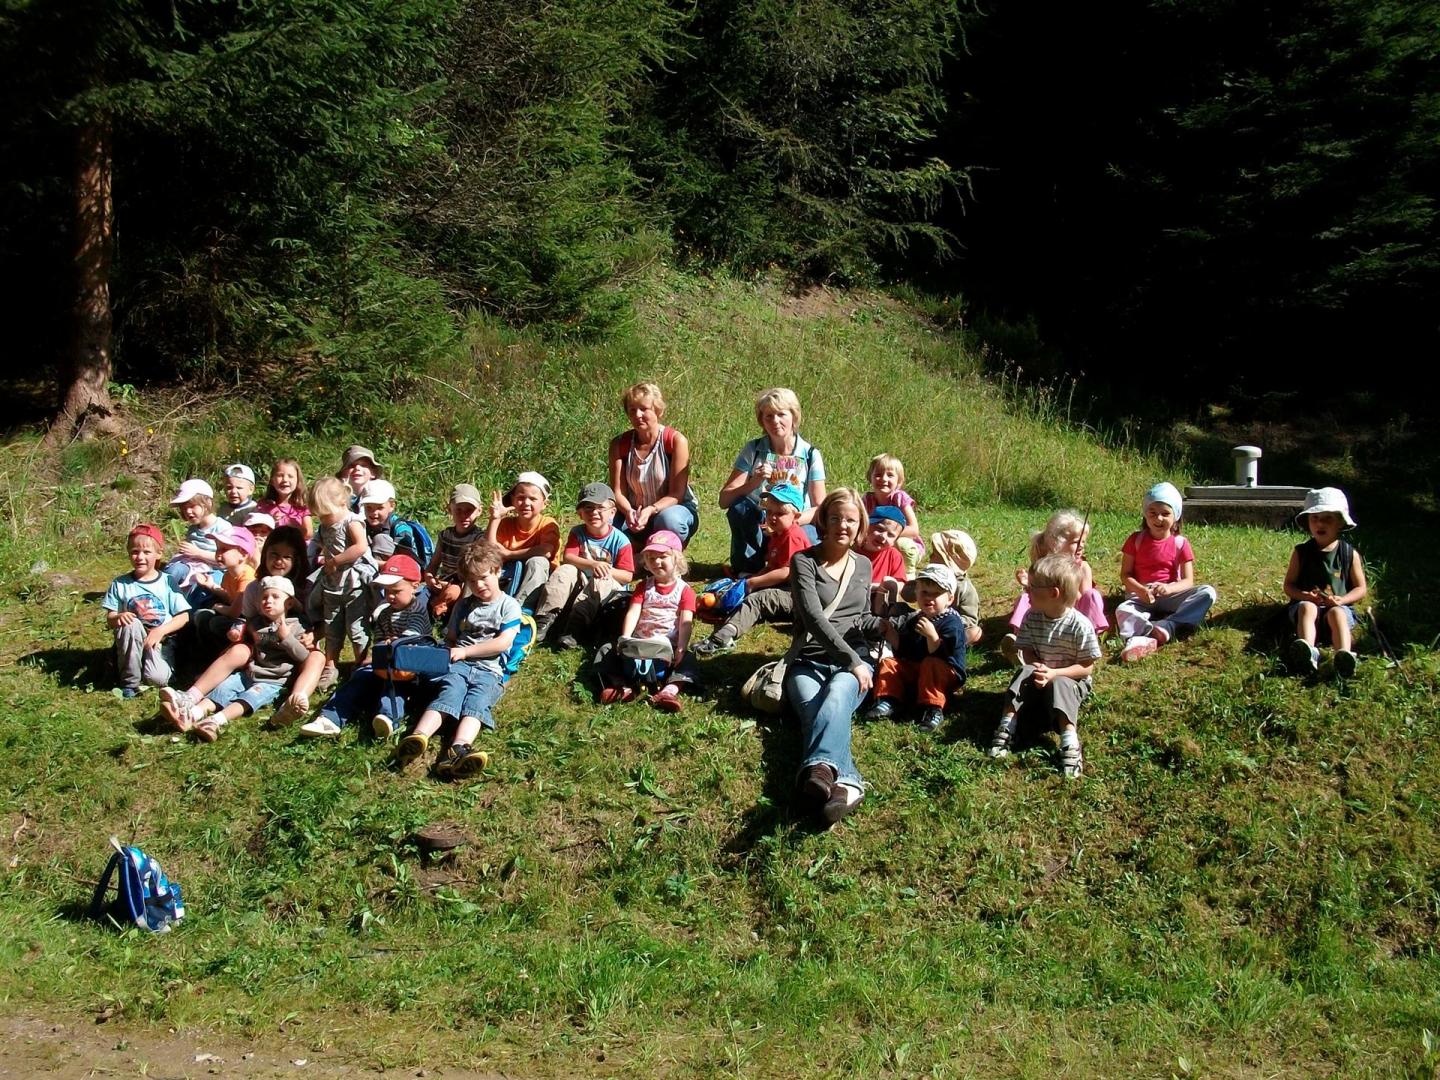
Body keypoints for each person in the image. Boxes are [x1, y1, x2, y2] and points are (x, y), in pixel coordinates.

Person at [784, 488, 883, 825]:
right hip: (809, 659)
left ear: (860, 526)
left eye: (851, 520)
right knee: (818, 712)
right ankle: (848, 784)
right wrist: (852, 662)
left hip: (852, 658)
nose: (843, 525)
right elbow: (813, 617)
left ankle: (818, 770)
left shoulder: (864, 565)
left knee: (836, 698)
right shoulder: (803, 561)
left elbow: (861, 617)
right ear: (824, 521)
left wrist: (891, 624)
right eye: (836, 518)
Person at [161, 526, 312, 724]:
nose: (279, 561)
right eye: (274, 554)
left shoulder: (305, 588)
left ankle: (296, 700)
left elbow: (315, 623)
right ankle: (190, 697)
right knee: (238, 650)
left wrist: (310, 635)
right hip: (261, 645)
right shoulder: (255, 588)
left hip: (295, 649)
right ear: (264, 554)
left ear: (298, 560)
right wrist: (261, 634)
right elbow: (250, 624)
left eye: (287, 557)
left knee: (315, 656)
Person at [396, 542, 521, 780]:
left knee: (477, 703)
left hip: (489, 670)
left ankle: (459, 747)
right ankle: (418, 736)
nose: (479, 585)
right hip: (458, 665)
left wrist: (466, 652)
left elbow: (503, 643)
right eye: (472, 581)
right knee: (449, 693)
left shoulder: (509, 606)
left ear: (498, 571)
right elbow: (452, 638)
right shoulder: (464, 605)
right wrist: (447, 652)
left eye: (484, 578)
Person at [988, 554, 1102, 778]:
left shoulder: (1081, 625)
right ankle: (1007, 726)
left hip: (1068, 679)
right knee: (1024, 671)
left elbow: (1086, 667)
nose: (1026, 592)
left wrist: (1054, 673)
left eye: (1032, 588)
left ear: (1053, 594)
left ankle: (1069, 741)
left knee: (1061, 683)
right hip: (1041, 674)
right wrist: (1036, 666)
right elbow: (1027, 650)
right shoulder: (1032, 616)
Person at [300, 553, 436, 738]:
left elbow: (412, 639)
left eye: (396, 591)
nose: (390, 596)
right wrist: (378, 653)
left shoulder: (417, 610)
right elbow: (379, 639)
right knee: (359, 679)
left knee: (394, 690)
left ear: (414, 586)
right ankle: (330, 717)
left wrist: (392, 644)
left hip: (408, 668)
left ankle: (388, 719)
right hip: (385, 663)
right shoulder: (385, 613)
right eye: (387, 591)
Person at [175, 577, 310, 742]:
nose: (268, 601)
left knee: (247, 700)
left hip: (273, 681)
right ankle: (193, 714)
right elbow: (251, 637)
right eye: (264, 597)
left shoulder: (296, 626)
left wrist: (287, 637)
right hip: (249, 672)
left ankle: (215, 721)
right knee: (223, 689)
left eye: (275, 597)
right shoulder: (256, 623)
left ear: (289, 604)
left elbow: (303, 655)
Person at [692, 483, 811, 656]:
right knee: (743, 590)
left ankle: (722, 638)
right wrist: (751, 581)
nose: (773, 517)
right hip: (785, 587)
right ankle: (723, 609)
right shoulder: (779, 534)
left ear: (796, 516)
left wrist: (753, 582)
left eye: (780, 513)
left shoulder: (793, 536)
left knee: (758, 599)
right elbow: (772, 567)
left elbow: (787, 571)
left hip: (798, 595)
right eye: (769, 512)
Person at [718, 387, 826, 574]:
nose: (775, 421)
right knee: (739, 508)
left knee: (805, 549)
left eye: (781, 414)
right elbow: (724, 500)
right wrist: (754, 482)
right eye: (768, 416)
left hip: (796, 521)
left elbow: (821, 508)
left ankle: (794, 575)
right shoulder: (753, 450)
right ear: (762, 421)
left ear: (794, 416)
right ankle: (749, 569)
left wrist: (788, 522)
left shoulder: (810, 454)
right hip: (761, 521)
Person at [595, 530, 699, 712]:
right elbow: (633, 612)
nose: (656, 562)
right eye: (651, 558)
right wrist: (625, 638)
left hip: (666, 650)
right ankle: (622, 688)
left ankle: (669, 691)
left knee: (689, 659)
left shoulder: (685, 591)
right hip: (638, 645)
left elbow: (685, 621)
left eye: (663, 557)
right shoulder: (644, 586)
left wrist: (681, 647)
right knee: (606, 650)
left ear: (677, 559)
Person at [1116, 482, 1217, 662]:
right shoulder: (1135, 540)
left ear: (1176, 517)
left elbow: (1188, 581)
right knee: (1123, 609)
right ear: (1145, 514)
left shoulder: (1181, 543)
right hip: (1141, 596)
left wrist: (1169, 589)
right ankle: (1146, 636)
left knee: (1207, 593)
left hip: (1170, 594)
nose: (1159, 519)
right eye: (1153, 513)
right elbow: (1126, 575)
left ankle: (1167, 626)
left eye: (1165, 513)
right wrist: (1140, 590)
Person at [531, 482, 635, 649]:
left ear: (612, 512)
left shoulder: (621, 540)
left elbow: (627, 576)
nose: (594, 512)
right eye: (588, 508)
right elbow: (568, 557)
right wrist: (593, 564)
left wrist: (605, 570)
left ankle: (574, 629)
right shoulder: (577, 533)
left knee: (601, 579)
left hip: (607, 594)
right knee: (565, 570)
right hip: (579, 586)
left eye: (600, 508)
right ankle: (544, 618)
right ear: (580, 513)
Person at [867, 563, 968, 732]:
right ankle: (889, 699)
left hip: (945, 673)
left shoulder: (952, 622)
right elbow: (907, 649)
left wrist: (932, 637)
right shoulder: (916, 618)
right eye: (924, 593)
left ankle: (932, 708)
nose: (929, 598)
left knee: (931, 663)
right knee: (890, 663)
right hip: (919, 670)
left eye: (936, 594)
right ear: (916, 594)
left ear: (950, 599)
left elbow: (946, 654)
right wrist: (892, 635)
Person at [1000, 510, 1108, 662]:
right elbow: (1039, 597)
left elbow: (1083, 600)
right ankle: (1020, 641)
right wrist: (1029, 585)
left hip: (1074, 619)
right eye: (1076, 542)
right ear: (1057, 543)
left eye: (1084, 542)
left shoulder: (1082, 568)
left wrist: (1068, 586)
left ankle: (1088, 642)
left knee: (1093, 595)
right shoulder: (1045, 566)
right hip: (1046, 615)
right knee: (1024, 598)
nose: (1081, 546)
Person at [1283, 487, 1368, 677]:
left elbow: (1361, 588)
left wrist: (1342, 600)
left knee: (1337, 613)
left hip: (1337, 608)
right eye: (1315, 518)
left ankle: (1343, 655)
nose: (1320, 523)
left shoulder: (1348, 553)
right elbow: (1288, 585)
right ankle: (1308, 651)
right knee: (1306, 607)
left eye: (1328, 518)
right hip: (1308, 607)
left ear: (1340, 522)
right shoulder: (1301, 553)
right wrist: (1304, 595)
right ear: (1308, 522)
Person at [102, 524, 191, 698]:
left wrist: (160, 631)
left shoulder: (167, 581)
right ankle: (129, 683)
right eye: (135, 552)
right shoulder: (120, 584)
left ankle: (137, 663)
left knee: (157, 679)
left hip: (159, 640)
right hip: (133, 636)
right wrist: (118, 617)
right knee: (131, 624)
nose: (140, 557)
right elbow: (110, 618)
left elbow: (184, 616)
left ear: (159, 553)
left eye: (146, 552)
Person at [607, 382, 699, 548]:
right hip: (633, 513)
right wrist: (629, 511)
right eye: (632, 410)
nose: (638, 415)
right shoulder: (619, 444)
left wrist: (651, 510)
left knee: (669, 520)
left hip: (670, 509)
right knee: (603, 519)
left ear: (658, 410)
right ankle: (637, 554)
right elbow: (617, 492)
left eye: (644, 409)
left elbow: (677, 494)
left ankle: (666, 552)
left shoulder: (675, 441)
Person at [306, 476, 374, 687]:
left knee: (356, 628)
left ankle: (361, 663)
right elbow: (316, 542)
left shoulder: (351, 522)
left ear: (342, 503)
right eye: (319, 516)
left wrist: (335, 560)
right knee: (332, 627)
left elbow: (360, 547)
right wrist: (310, 557)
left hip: (353, 584)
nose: (323, 520)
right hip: (332, 584)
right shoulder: (325, 524)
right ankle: (330, 664)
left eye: (326, 514)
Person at [487, 471, 560, 607]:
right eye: (520, 497)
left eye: (533, 499)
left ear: (545, 503)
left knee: (538, 561)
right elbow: (489, 550)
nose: (526, 503)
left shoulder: (547, 523)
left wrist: (509, 554)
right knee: (483, 562)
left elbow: (546, 551)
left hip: (539, 583)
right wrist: (495, 519)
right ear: (513, 500)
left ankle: (521, 610)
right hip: (508, 577)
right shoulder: (506, 523)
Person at [163, 478, 232, 602]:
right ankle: (161, 598)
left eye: (192, 506)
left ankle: (190, 614)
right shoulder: (193, 529)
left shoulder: (222, 527)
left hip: (215, 570)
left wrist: (198, 553)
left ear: (208, 503)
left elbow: (228, 559)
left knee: (200, 587)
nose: (188, 512)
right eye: (184, 508)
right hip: (193, 565)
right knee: (174, 570)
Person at [424, 483, 485, 619]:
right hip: (443, 580)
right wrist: (429, 578)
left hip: (463, 582)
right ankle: (426, 613)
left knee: (453, 592)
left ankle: (442, 612)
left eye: (469, 510)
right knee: (422, 593)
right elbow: (434, 564)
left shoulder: (479, 537)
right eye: (458, 510)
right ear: (449, 509)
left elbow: (474, 571)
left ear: (479, 511)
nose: (464, 515)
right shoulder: (445, 535)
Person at [191, 527, 259, 645]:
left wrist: (217, 607)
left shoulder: (247, 577)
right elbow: (230, 597)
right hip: (236, 614)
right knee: (201, 615)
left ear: (243, 554)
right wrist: (211, 586)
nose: (218, 554)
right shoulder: (228, 574)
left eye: (224, 549)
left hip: (248, 619)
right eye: (218, 549)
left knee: (216, 623)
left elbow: (234, 612)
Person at [862, 453, 924, 575]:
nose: (884, 479)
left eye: (890, 475)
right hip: (877, 539)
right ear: (871, 478)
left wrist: (890, 533)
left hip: (903, 543)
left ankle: (907, 577)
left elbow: (914, 530)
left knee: (901, 544)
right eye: (878, 475)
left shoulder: (900, 498)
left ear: (899, 481)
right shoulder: (868, 500)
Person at [358, 479, 427, 564]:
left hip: (403, 566)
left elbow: (406, 557)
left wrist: (371, 562)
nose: (374, 513)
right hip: (376, 565)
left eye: (380, 508)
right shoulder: (362, 526)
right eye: (368, 508)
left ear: (391, 506)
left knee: (380, 539)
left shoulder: (400, 527)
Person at [855, 506, 908, 614]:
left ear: (895, 541)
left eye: (891, 535)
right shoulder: (853, 550)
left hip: (878, 604)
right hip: (853, 600)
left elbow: (900, 584)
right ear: (867, 526)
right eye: (879, 529)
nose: (883, 536)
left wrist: (886, 585)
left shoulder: (893, 555)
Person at [255, 458, 312, 540]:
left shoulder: (302, 507)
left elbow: (308, 533)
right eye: (280, 475)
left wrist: (292, 526)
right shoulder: (264, 505)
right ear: (272, 481)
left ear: (298, 481)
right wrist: (269, 521)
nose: (285, 479)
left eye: (290, 476)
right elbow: (255, 530)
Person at [338, 444, 385, 511]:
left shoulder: (379, 494)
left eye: (363, 465)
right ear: (343, 473)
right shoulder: (336, 496)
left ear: (373, 473)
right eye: (351, 466)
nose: (357, 468)